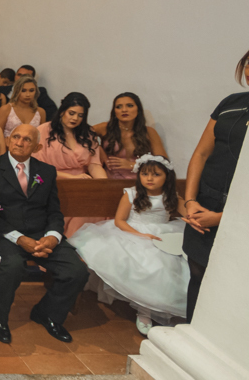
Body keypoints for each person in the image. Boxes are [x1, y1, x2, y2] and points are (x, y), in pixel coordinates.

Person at [0, 124, 89, 344]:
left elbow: (54, 211)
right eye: (16, 137)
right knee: (11, 267)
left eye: (27, 139)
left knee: (77, 271)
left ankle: (48, 314)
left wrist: (53, 236)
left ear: (37, 146)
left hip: (41, 233)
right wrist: (19, 238)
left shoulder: (46, 171)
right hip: (5, 234)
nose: (20, 142)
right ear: (8, 141)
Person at [70, 155, 188, 335]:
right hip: (131, 232)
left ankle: (161, 307)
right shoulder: (132, 193)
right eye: (145, 174)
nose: (149, 178)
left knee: (171, 265)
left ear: (167, 177)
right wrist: (141, 235)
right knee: (147, 265)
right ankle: (144, 311)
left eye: (156, 174)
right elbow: (119, 221)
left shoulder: (171, 196)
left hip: (163, 233)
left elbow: (188, 216)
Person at [182, 49, 249, 319]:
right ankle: (188, 334)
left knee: (228, 282)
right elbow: (201, 153)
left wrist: (223, 218)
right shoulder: (231, 102)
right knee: (197, 271)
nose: (248, 70)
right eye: (247, 64)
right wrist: (190, 201)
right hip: (205, 202)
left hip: (238, 213)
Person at [38, 92, 108, 236]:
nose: (75, 118)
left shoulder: (88, 133)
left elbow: (94, 165)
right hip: (53, 182)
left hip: (83, 183)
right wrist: (72, 178)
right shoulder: (43, 130)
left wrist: (103, 185)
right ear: (62, 111)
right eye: (71, 113)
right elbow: (39, 168)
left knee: (98, 205)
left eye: (80, 115)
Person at [91, 92, 168, 178]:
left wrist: (132, 165)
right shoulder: (105, 128)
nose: (124, 110)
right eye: (119, 107)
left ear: (138, 110)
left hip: (140, 182)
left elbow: (163, 163)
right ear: (114, 111)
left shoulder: (149, 132)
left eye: (129, 106)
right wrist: (98, 148)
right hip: (110, 180)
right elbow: (79, 134)